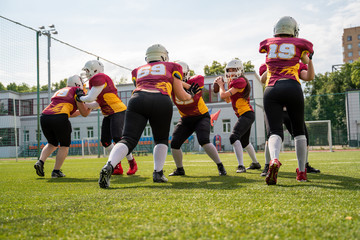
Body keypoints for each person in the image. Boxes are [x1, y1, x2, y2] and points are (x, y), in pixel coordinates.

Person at [98, 44, 198, 188]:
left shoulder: (137, 70)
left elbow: (141, 86)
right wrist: (191, 94)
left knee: (128, 139)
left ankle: (109, 165)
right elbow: (181, 96)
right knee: (161, 139)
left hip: (137, 99)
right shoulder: (172, 66)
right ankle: (158, 173)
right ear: (163, 56)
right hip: (161, 99)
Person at [259, 16, 314, 185]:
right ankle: (302, 172)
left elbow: (263, 77)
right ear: (294, 30)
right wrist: (309, 59)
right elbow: (310, 76)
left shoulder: (268, 44)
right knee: (299, 131)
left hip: (272, 88)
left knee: (274, 132)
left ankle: (274, 160)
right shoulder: (300, 44)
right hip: (292, 87)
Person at [77, 60, 138, 176]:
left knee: (118, 138)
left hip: (118, 111)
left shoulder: (100, 78)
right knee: (105, 141)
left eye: (87, 70)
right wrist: (81, 104)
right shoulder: (97, 83)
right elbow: (96, 103)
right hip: (108, 113)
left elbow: (90, 98)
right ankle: (117, 166)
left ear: (95, 70)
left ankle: (132, 162)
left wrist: (80, 98)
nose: (86, 73)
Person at [259, 62, 320, 176]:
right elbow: (263, 79)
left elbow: (308, 76)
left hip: (290, 109)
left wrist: (310, 61)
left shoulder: (296, 64)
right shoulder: (269, 63)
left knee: (303, 135)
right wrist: (275, 65)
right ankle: (268, 166)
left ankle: (305, 165)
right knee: (271, 136)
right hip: (275, 108)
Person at [169, 61, 227, 177]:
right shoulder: (170, 87)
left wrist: (178, 82)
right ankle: (180, 169)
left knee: (203, 140)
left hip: (201, 116)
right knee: (174, 143)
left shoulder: (196, 80)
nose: (177, 78)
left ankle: (220, 166)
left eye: (179, 75)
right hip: (186, 119)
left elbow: (195, 93)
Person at [34, 75, 91, 178]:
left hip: (45, 116)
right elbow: (84, 113)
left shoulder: (62, 90)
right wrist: (91, 107)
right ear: (78, 84)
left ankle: (40, 162)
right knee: (64, 145)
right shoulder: (77, 90)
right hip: (59, 117)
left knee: (52, 143)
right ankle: (56, 171)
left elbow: (68, 112)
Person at [214, 59, 261, 173]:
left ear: (239, 70)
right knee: (244, 142)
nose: (231, 72)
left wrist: (221, 85)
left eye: (233, 70)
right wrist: (223, 86)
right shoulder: (233, 82)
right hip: (244, 115)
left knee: (233, 137)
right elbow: (227, 99)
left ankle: (241, 166)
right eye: (229, 70)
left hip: (247, 114)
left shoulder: (240, 81)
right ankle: (255, 163)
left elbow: (223, 94)